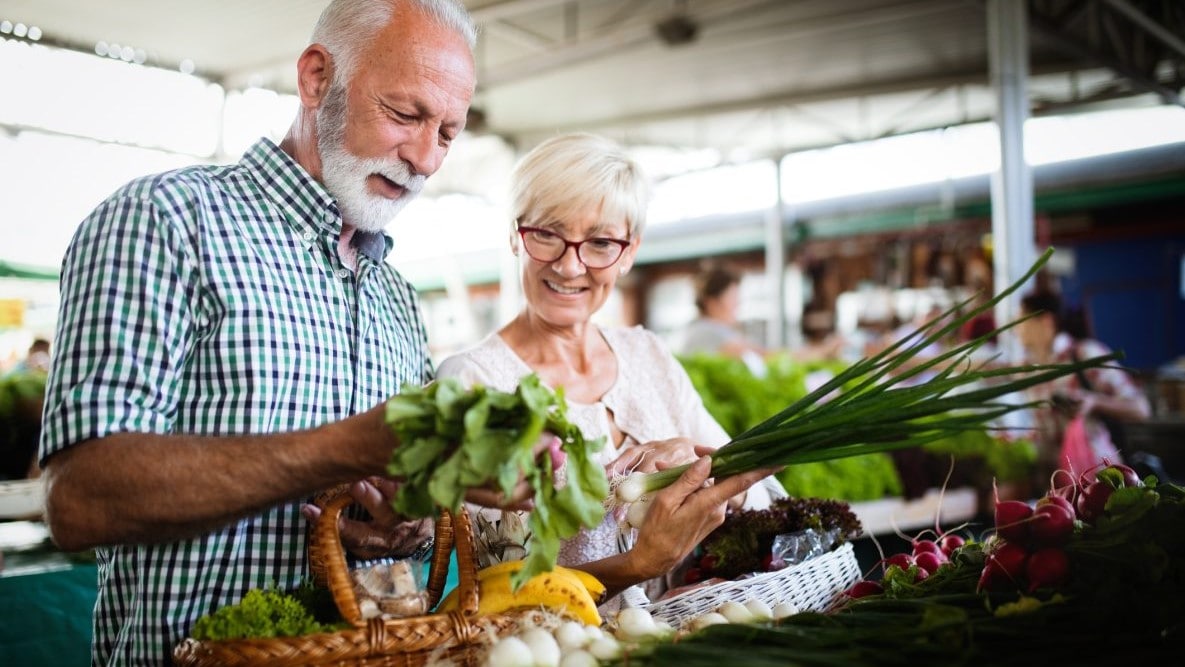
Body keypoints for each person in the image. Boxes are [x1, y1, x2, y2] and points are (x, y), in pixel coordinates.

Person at [37, 2, 532, 663]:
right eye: (405, 114)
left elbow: (402, 527)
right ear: (316, 77)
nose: (424, 157)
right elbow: (80, 499)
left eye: (447, 132)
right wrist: (346, 447)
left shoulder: (395, 295)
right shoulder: (163, 221)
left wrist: (403, 526)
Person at [436, 133, 784, 607]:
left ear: (629, 253)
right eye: (547, 234)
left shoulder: (648, 356)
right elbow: (493, 592)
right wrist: (638, 566)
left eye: (600, 242)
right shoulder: (474, 382)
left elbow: (768, 497)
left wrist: (708, 472)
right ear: (514, 236)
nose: (570, 265)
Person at [1016, 290, 1151, 490]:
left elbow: (1141, 408)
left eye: (1021, 321)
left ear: (1045, 322)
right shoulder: (1028, 368)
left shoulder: (1085, 355)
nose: (1016, 329)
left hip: (1100, 482)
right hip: (1054, 485)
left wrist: (1094, 402)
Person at [679, 264, 770, 376]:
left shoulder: (722, 330)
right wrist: (791, 356)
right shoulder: (702, 331)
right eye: (732, 298)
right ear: (711, 303)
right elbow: (748, 351)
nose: (737, 305)